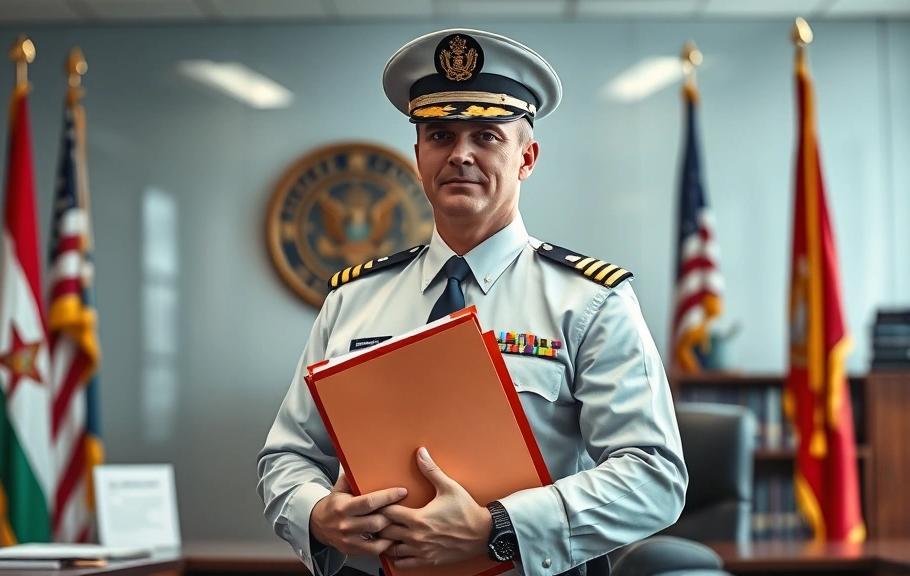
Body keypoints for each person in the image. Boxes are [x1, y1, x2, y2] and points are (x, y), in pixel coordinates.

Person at [257, 28, 687, 576]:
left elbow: (654, 476)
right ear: (418, 157)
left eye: (486, 136)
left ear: (526, 157)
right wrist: (317, 513)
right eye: (439, 135)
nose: (460, 154)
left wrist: (499, 528)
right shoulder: (352, 300)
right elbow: (287, 456)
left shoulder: (589, 301)